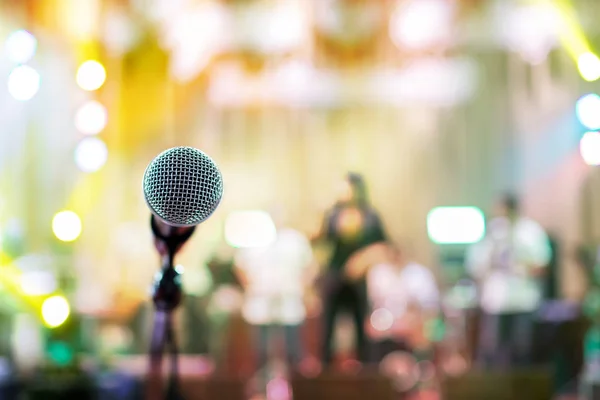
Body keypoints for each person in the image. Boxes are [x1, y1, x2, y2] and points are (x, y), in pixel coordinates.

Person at [234, 208, 315, 392]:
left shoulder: (295, 240)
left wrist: (304, 288)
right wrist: (252, 286)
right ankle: (260, 390)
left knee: (293, 350)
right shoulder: (253, 240)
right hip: (261, 302)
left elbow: (309, 266)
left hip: (289, 302)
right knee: (260, 351)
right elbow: (240, 266)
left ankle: (298, 388)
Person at [466, 194, 551, 368]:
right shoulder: (491, 233)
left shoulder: (530, 232)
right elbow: (475, 266)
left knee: (522, 351)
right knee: (493, 351)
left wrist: (520, 265)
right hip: (496, 303)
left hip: (523, 302)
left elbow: (542, 266)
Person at [313, 172, 387, 366]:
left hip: (359, 279)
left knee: (362, 329)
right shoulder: (333, 214)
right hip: (335, 276)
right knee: (327, 329)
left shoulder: (370, 215)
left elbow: (383, 245)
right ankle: (325, 371)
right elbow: (321, 239)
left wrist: (364, 259)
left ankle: (366, 374)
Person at [364, 244, 439, 363]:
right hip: (384, 321)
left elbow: (430, 305)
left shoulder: (420, 273)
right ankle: (375, 369)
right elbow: (374, 303)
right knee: (372, 329)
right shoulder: (378, 272)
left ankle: (421, 367)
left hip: (414, 321)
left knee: (423, 331)